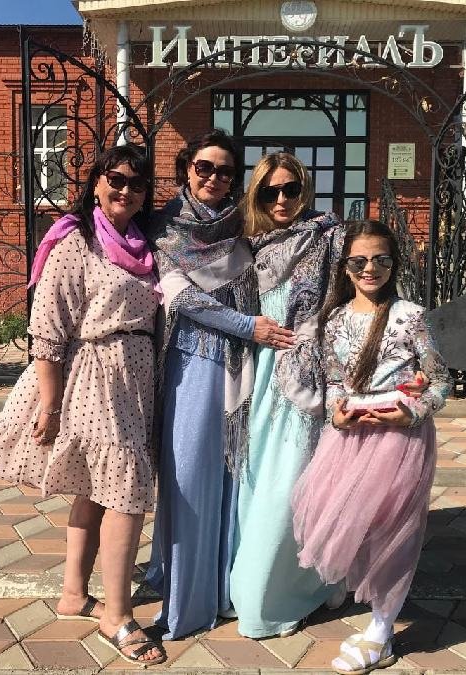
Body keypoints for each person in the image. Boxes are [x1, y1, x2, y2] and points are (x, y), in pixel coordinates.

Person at [0, 145, 166, 666]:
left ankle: (74, 593)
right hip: (95, 375)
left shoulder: (143, 245)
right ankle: (117, 616)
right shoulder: (76, 240)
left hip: (136, 377)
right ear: (96, 182)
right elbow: (47, 331)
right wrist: (49, 408)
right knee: (125, 491)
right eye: (116, 179)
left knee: (96, 488)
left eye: (137, 184)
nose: (125, 190)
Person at [145, 130, 294, 639]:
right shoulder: (164, 227)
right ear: (186, 168)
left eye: (225, 171)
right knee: (188, 479)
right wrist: (247, 326)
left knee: (233, 479)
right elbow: (181, 298)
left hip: (244, 365)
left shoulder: (243, 224)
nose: (213, 177)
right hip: (191, 364)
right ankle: (187, 601)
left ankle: (227, 588)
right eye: (204, 167)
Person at [291, 219, 452, 673]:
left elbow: (441, 381)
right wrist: (335, 413)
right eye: (359, 261)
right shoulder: (334, 320)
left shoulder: (412, 315)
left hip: (398, 435)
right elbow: (332, 383)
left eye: (381, 259)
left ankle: (382, 630)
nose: (370, 269)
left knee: (392, 530)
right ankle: (354, 593)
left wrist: (413, 411)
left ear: (394, 263)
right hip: (348, 437)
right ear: (344, 267)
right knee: (344, 517)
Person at [229, 152, 346, 639]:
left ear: (305, 190)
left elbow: (351, 302)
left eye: (291, 189)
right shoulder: (244, 243)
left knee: (293, 484)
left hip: (306, 377)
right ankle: (250, 584)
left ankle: (274, 594)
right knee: (256, 484)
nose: (281, 200)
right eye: (269, 191)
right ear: (256, 195)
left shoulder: (330, 236)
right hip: (254, 377)